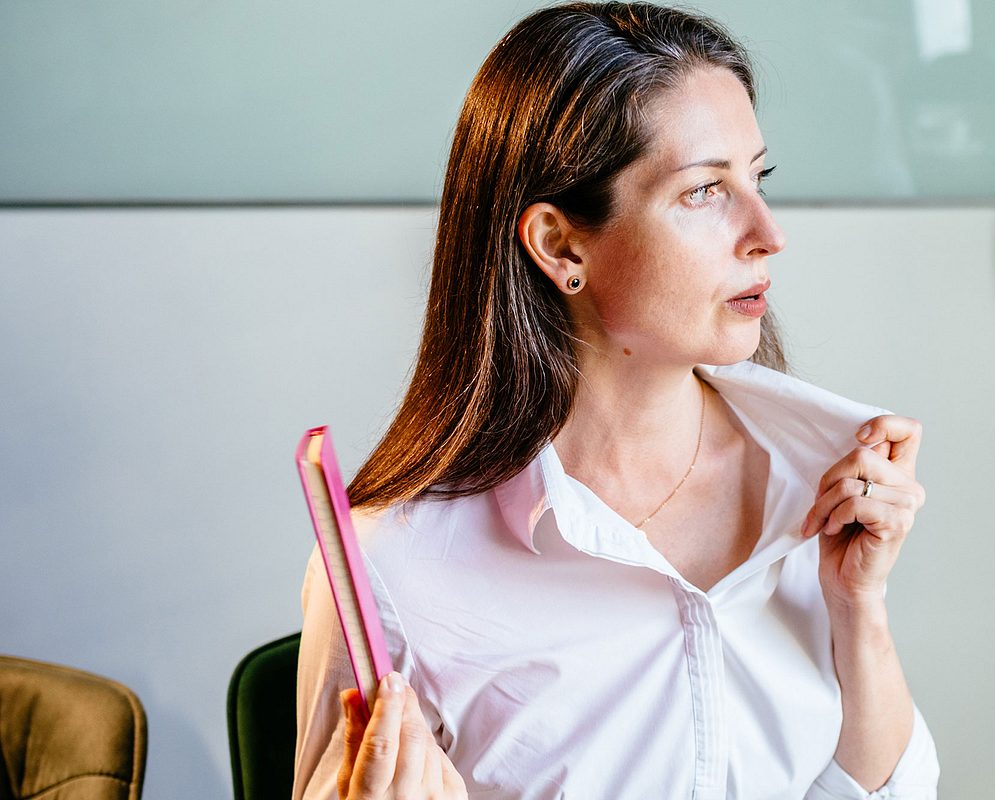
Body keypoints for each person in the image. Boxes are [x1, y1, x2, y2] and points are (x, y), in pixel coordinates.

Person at [294, 3, 940, 798]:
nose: (768, 232)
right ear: (561, 245)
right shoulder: (394, 568)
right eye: (705, 191)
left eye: (757, 177)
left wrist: (858, 608)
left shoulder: (819, 483)